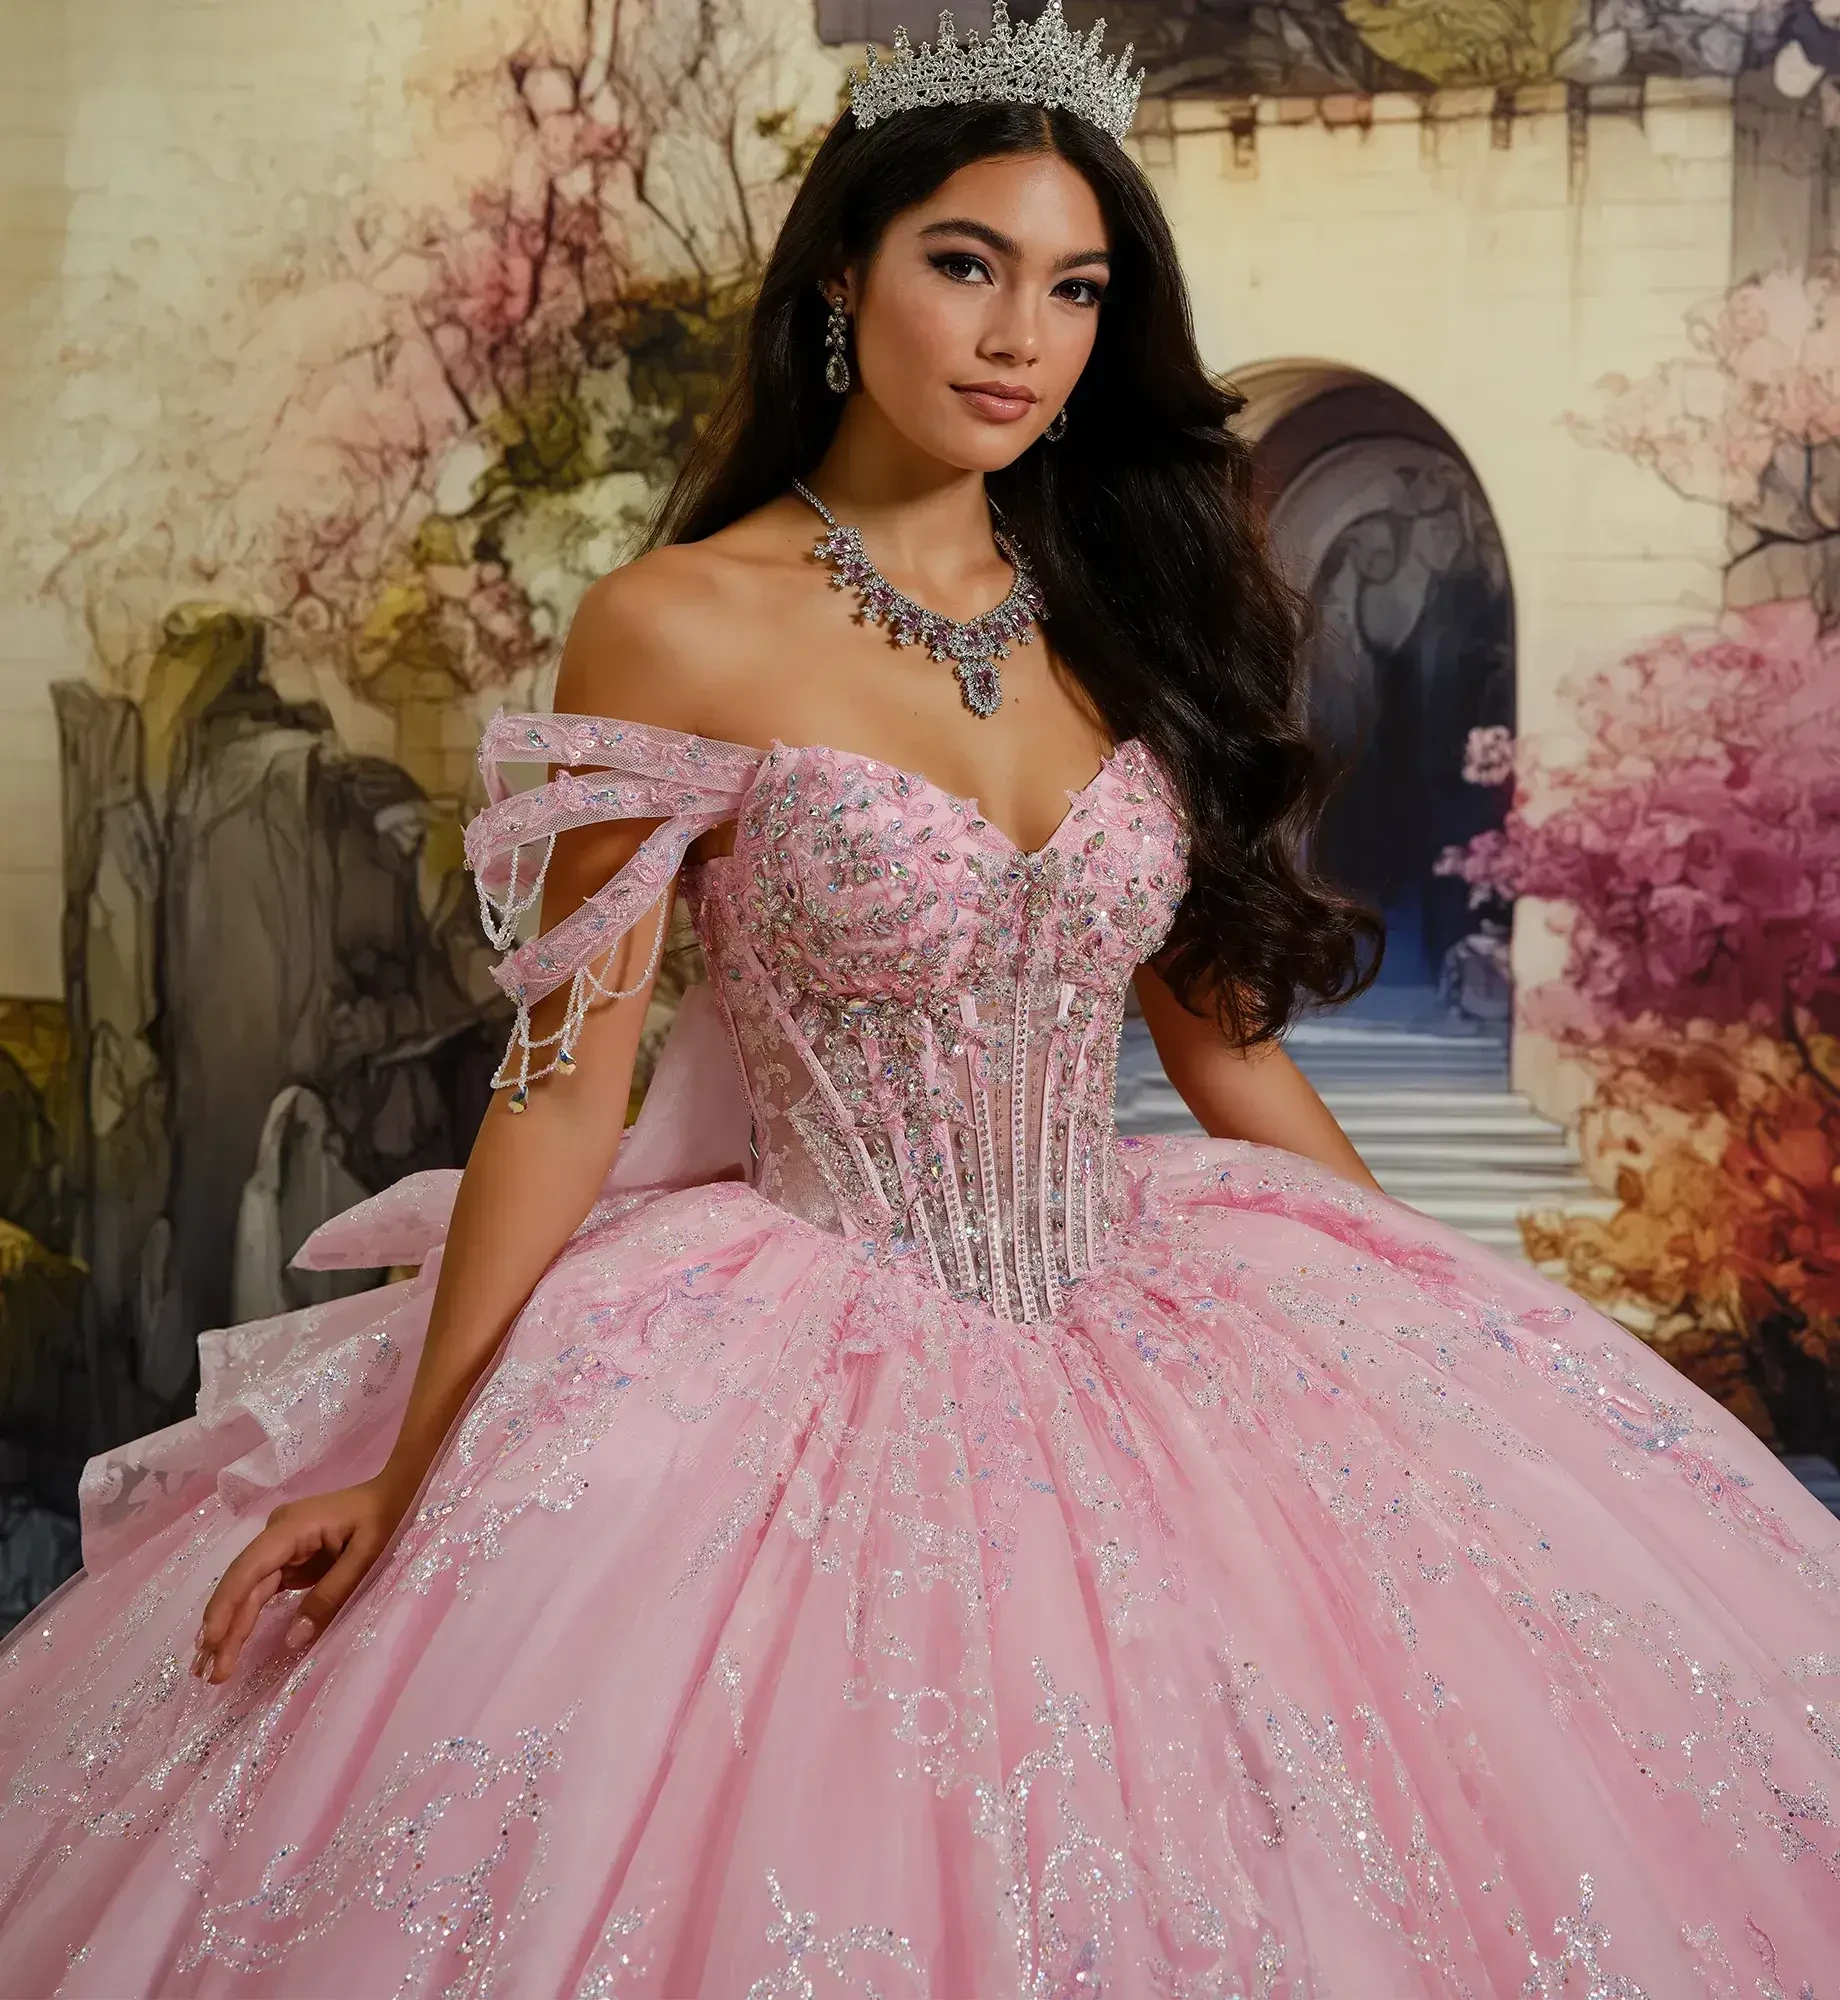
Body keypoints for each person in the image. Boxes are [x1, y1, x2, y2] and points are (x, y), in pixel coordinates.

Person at [3, 5, 1837, 1992]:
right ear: (842, 276)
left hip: (1148, 1299)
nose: (1015, 336)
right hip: (795, 1339)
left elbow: (1222, 1052)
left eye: (1071, 288)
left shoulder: (1136, 601)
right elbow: (564, 1078)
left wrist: (1479, 1379)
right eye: (963, 263)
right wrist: (412, 1462)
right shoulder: (674, 623)